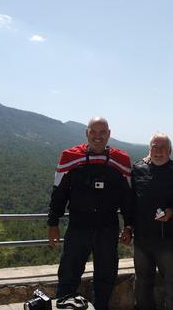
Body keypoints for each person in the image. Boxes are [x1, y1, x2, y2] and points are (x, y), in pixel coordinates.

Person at [47, 117, 133, 310]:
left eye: (102, 132)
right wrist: (53, 224)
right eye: (93, 132)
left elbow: (128, 199)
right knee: (69, 273)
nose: (97, 137)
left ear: (109, 134)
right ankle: (64, 307)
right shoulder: (70, 157)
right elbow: (59, 195)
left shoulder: (121, 161)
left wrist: (128, 225)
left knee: (106, 275)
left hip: (108, 228)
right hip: (78, 226)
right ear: (86, 133)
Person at [129, 133, 173, 310]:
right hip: (142, 242)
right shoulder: (137, 169)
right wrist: (128, 227)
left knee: (172, 291)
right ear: (149, 149)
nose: (158, 151)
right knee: (143, 287)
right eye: (154, 147)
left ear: (170, 151)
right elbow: (129, 203)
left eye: (163, 148)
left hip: (170, 243)